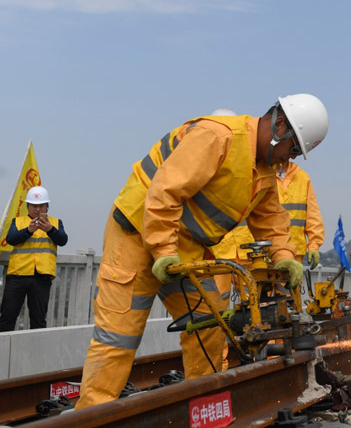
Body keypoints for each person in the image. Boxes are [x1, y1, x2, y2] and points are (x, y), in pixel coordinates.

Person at [75, 94, 329, 410]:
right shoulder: (218, 137)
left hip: (182, 244)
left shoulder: (261, 170)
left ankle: (205, 409)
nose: (287, 161)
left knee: (208, 327)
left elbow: (272, 219)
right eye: (292, 150)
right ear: (280, 125)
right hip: (138, 233)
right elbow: (166, 189)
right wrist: (163, 250)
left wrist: (285, 256)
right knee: (119, 336)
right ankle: (90, 419)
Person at [0, 186, 68, 331]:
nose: (37, 209)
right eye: (34, 206)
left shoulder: (55, 223)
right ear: (28, 206)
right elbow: (10, 239)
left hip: (41, 278)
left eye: (41, 205)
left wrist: (50, 230)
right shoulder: (17, 222)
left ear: (47, 206)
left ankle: (36, 353)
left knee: (38, 321)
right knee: (7, 318)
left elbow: (63, 240)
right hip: (17, 276)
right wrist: (28, 231)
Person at [275, 158, 324, 269]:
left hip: (294, 251)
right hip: (267, 251)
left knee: (291, 285)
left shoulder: (302, 178)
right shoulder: (262, 174)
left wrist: (314, 246)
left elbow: (313, 215)